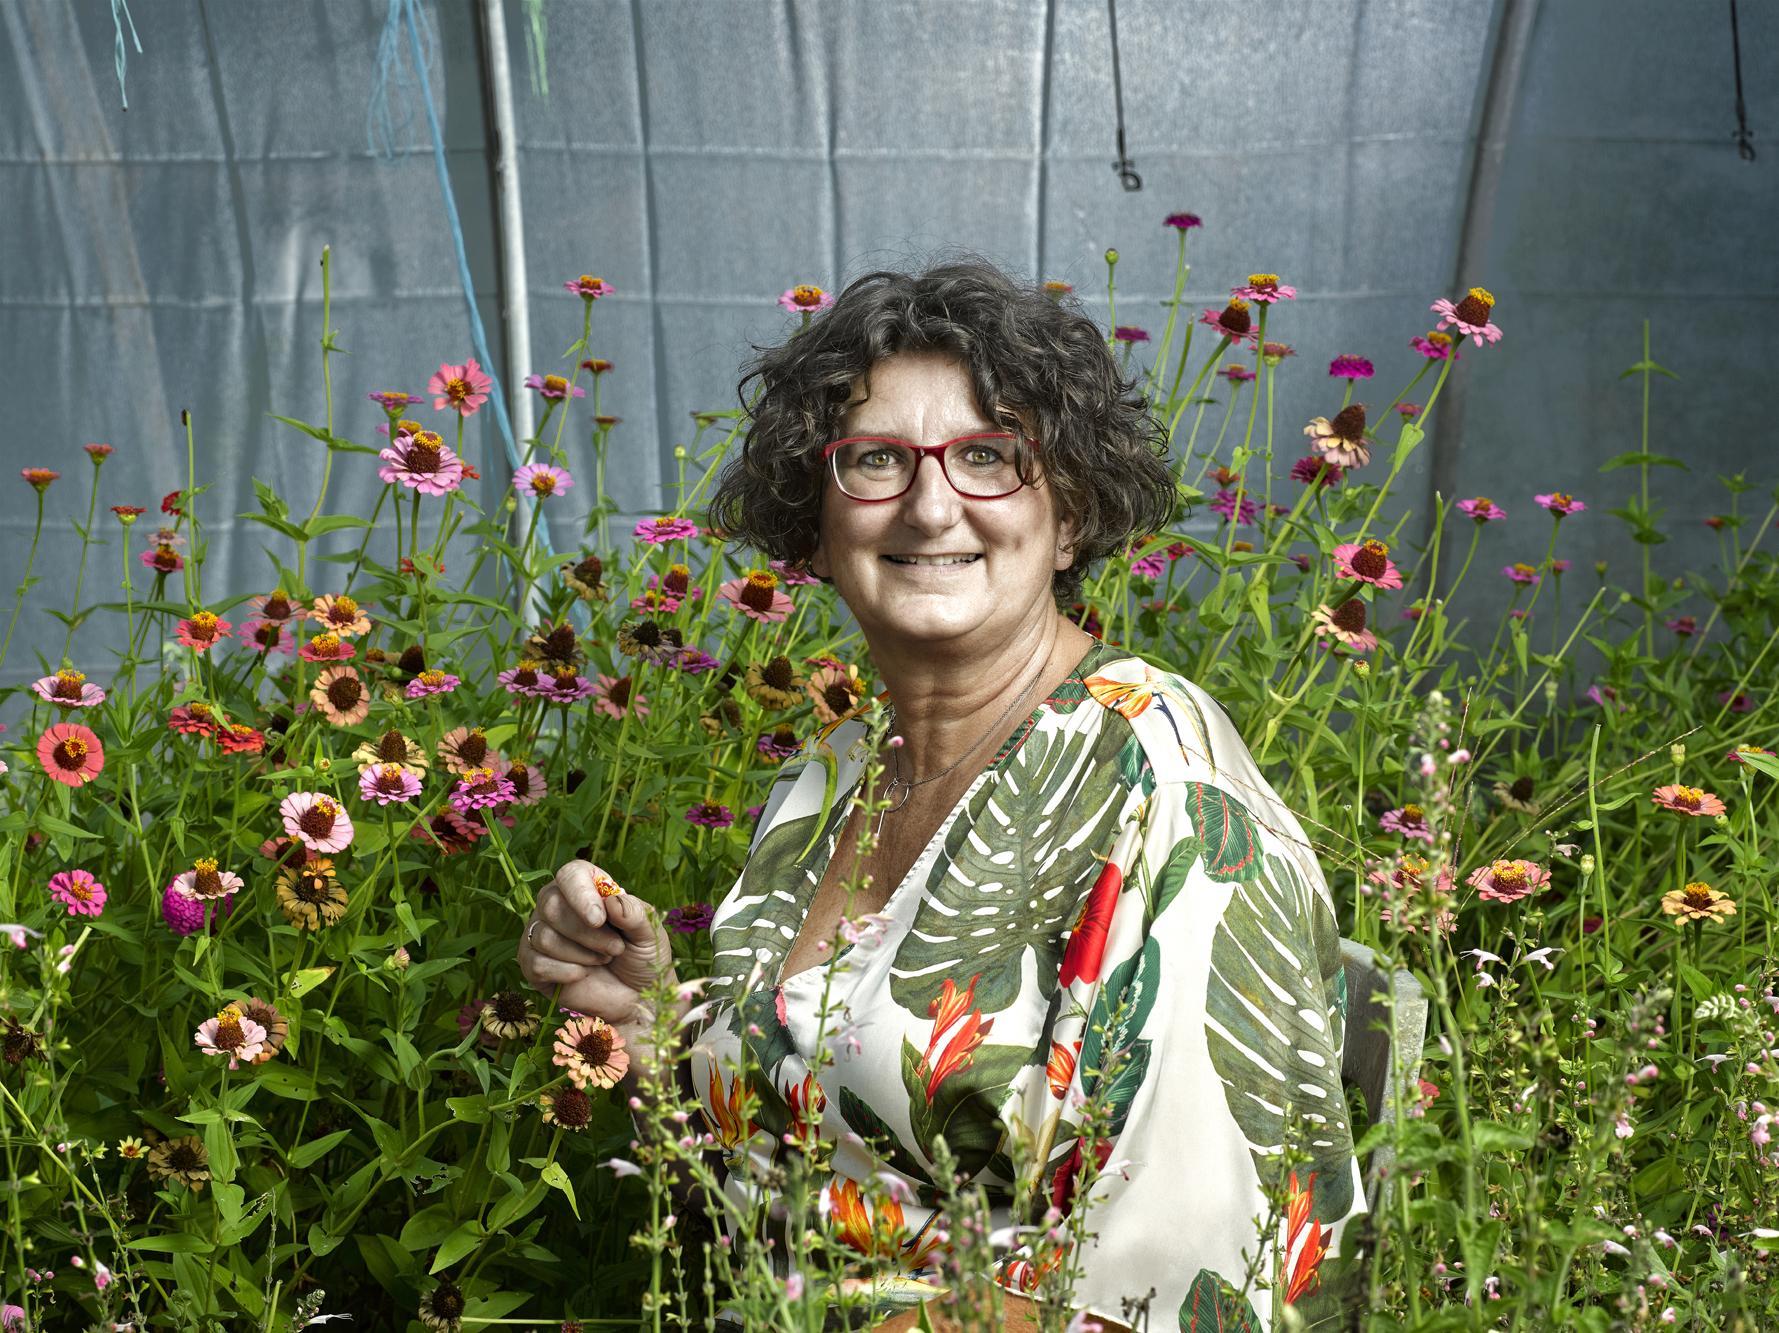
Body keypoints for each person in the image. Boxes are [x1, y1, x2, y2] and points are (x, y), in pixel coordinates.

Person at [518, 258, 1365, 1330]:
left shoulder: (1167, 796)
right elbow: (768, 1181)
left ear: (1071, 517)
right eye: (876, 460)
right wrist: (636, 1021)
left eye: (990, 458)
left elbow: (1183, 1279)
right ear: (817, 527)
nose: (930, 504)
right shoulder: (835, 772)